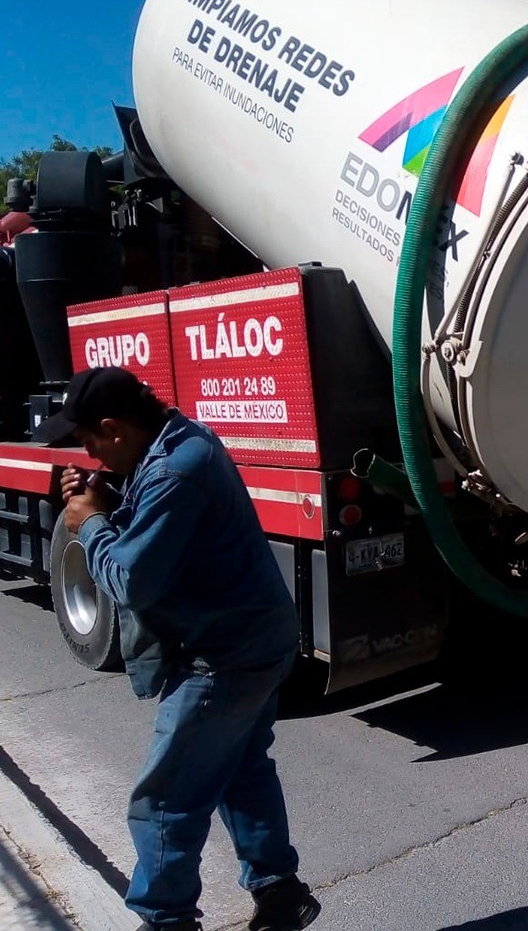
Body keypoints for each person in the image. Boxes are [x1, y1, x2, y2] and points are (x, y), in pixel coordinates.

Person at [41, 366, 321, 931]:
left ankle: (166, 920)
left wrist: (89, 524)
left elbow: (131, 580)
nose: (89, 454)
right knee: (240, 769)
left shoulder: (174, 469)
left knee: (164, 800)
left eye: (88, 441)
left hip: (221, 657)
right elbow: (160, 526)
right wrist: (105, 499)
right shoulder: (180, 441)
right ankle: (280, 893)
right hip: (254, 639)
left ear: (114, 428)